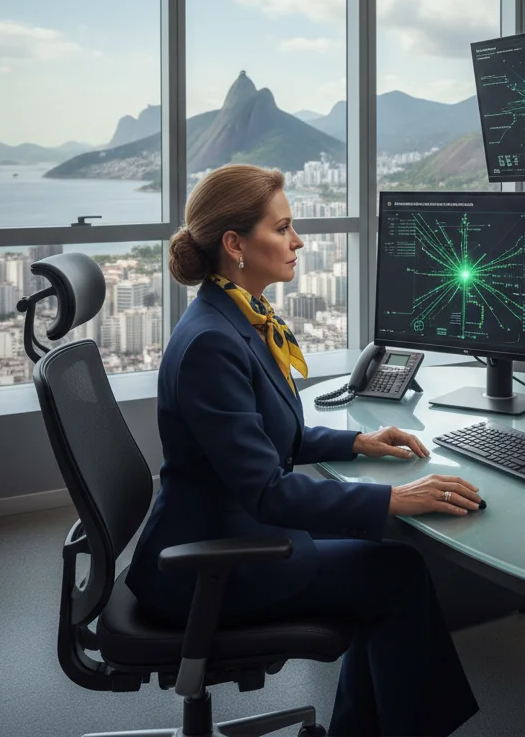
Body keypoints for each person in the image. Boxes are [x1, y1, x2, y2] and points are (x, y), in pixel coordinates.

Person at [125, 164, 480, 737]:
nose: (298, 242)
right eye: (283, 228)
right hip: (209, 564)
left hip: (226, 531)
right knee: (399, 572)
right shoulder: (213, 343)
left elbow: (267, 438)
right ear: (235, 244)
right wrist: (393, 499)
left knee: (381, 559)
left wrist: (358, 441)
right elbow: (267, 491)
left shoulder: (238, 315)